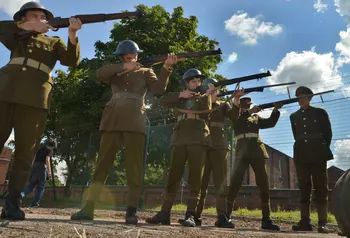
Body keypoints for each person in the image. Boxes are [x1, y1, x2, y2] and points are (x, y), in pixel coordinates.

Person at [71, 40, 178, 225]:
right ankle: (88, 208)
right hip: (112, 120)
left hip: (135, 121)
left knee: (134, 168)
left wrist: (167, 67)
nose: (132, 57)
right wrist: (124, 66)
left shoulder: (146, 71)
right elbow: (100, 73)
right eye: (128, 56)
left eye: (134, 55)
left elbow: (159, 89)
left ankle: (131, 211)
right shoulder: (116, 71)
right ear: (122, 57)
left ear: (137, 55)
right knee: (102, 165)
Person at [0, 1, 81, 220]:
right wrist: (29, 28)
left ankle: (12, 202)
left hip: (36, 98)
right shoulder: (16, 34)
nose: (41, 20)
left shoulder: (53, 41)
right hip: (5, 91)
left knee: (25, 153)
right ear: (23, 19)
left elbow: (71, 61)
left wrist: (72, 34)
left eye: (43, 17)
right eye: (35, 16)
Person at [146, 69, 216, 227]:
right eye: (193, 81)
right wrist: (180, 95)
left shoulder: (205, 96)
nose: (197, 83)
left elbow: (206, 109)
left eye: (199, 81)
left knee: (195, 178)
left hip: (198, 138)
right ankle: (164, 213)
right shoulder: (180, 96)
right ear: (186, 83)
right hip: (179, 138)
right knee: (173, 176)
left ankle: (190, 215)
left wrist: (207, 94)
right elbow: (162, 100)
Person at [226, 91, 281, 230]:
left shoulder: (255, 117)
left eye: (250, 105)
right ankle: (226, 216)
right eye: (246, 106)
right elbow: (237, 124)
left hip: (256, 150)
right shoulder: (236, 116)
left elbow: (270, 123)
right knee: (235, 183)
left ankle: (266, 219)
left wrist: (275, 110)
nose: (249, 107)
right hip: (242, 151)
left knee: (263, 183)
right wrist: (249, 112)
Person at [290, 86, 333, 233]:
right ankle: (305, 221)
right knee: (304, 187)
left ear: (309, 97)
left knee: (321, 187)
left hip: (318, 153)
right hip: (301, 154)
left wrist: (320, 148)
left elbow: (328, 133)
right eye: (298, 97)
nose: (300, 100)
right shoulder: (293, 116)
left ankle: (322, 222)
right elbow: (297, 136)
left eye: (303, 97)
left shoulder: (320, 112)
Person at [193, 78, 234, 228]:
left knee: (220, 182)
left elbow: (233, 116)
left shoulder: (224, 104)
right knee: (200, 183)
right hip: (202, 145)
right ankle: (194, 215)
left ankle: (222, 216)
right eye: (210, 88)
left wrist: (235, 100)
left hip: (218, 145)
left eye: (215, 88)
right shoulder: (200, 102)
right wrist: (206, 99)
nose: (213, 91)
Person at [21, 139, 56, 207]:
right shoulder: (49, 149)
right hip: (42, 167)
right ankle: (35, 203)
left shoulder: (40, 149)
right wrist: (49, 171)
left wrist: (32, 168)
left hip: (35, 166)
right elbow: (47, 159)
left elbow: (34, 159)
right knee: (41, 186)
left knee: (32, 184)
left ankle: (21, 194)